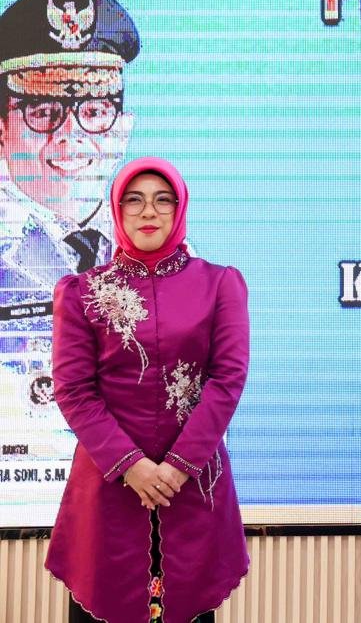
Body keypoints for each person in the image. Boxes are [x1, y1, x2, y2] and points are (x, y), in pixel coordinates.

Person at [45, 157, 250, 622]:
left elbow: (227, 379)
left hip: (192, 486)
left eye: (163, 200)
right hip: (108, 486)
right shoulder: (82, 292)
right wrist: (131, 465)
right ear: (117, 210)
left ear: (180, 208)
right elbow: (73, 389)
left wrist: (178, 467)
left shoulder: (219, 284)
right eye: (134, 200)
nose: (149, 212)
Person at [0, 0, 136, 468]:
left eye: (95, 112)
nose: (71, 136)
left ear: (124, 128)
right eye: (43, 113)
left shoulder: (166, 256)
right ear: (2, 131)